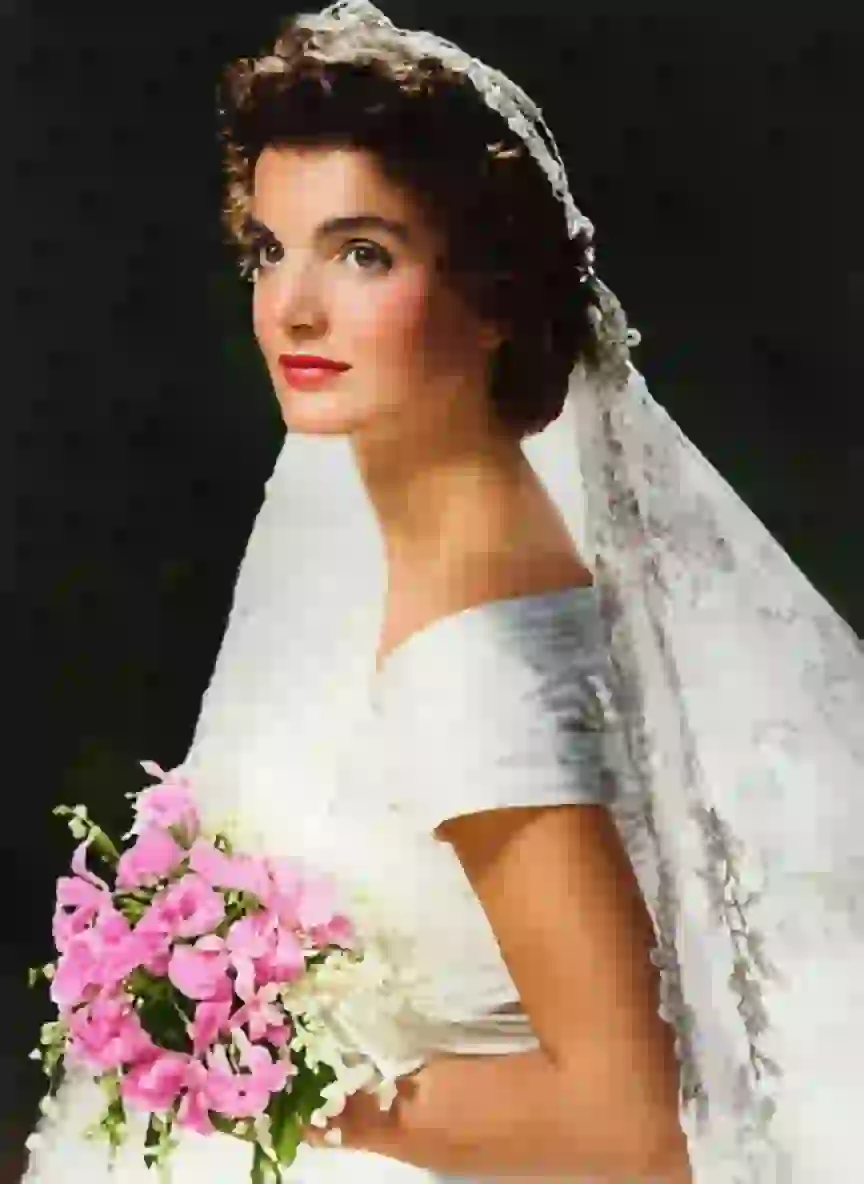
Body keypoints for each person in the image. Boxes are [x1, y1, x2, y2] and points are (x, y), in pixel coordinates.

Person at [23, 3, 864, 1182]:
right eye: (272, 248)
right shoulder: (428, 525)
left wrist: (270, 1071)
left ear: (495, 295)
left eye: (363, 251)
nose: (293, 307)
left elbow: (631, 1127)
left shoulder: (476, 638)